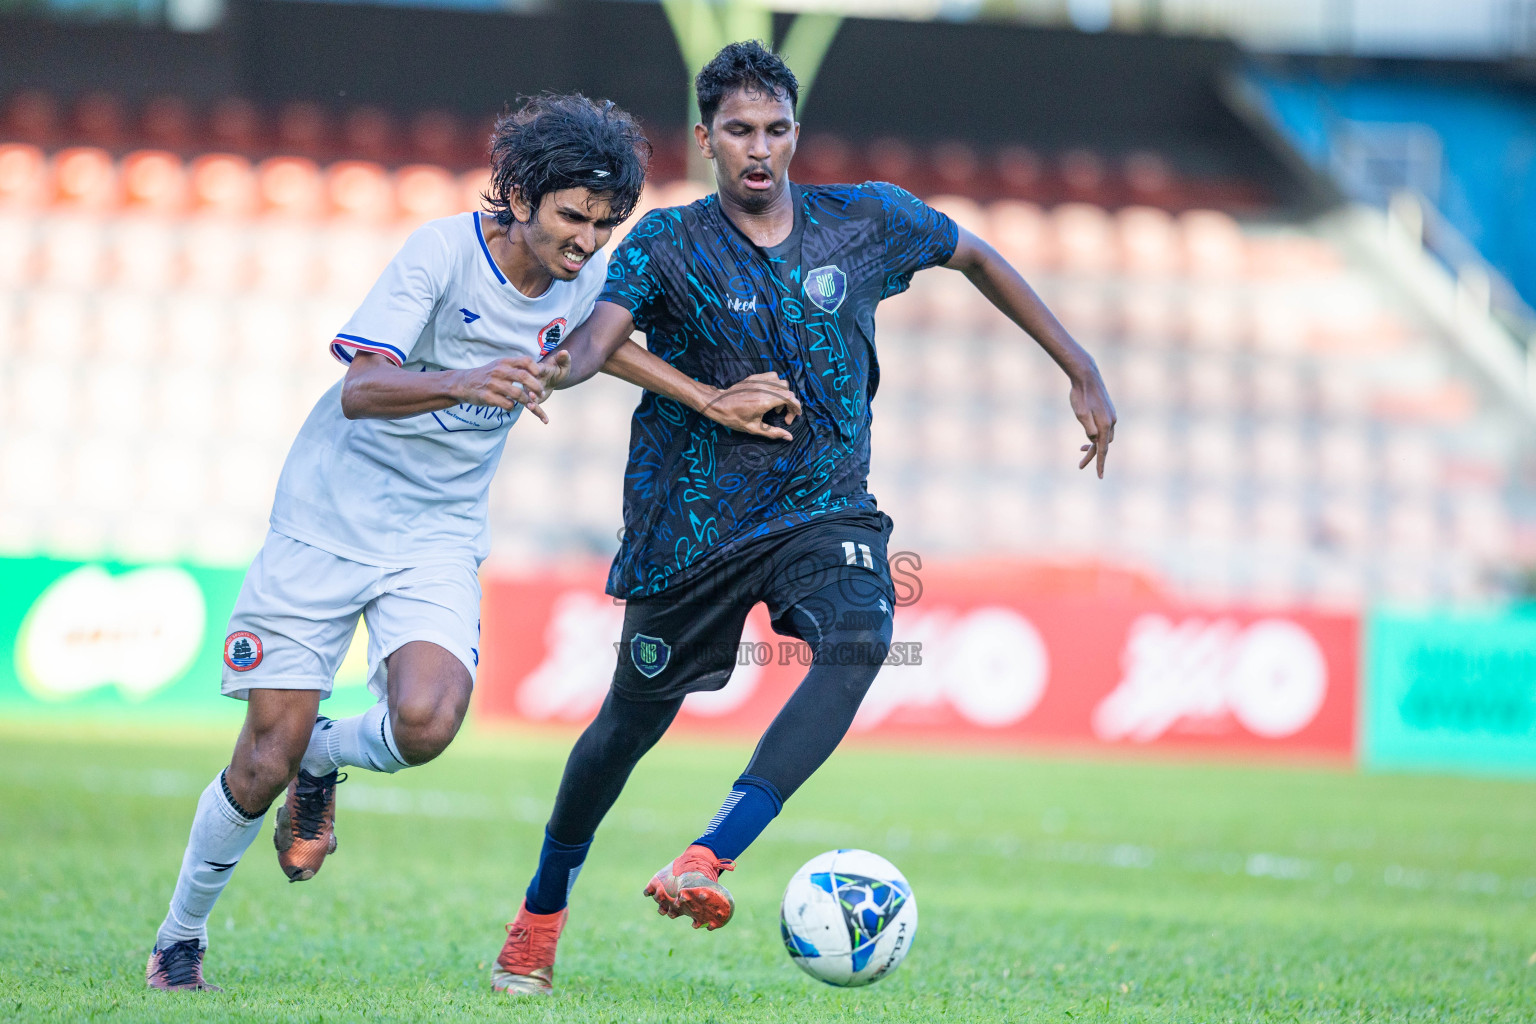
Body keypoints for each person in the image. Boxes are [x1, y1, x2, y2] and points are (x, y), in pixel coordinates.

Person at [488, 42, 1117, 996]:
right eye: (738, 130)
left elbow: (976, 255)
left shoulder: (865, 220)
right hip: (689, 523)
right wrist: (553, 369)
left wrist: (1078, 365)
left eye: (776, 130)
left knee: (862, 635)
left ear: (795, 135)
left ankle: (710, 853)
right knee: (625, 727)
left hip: (823, 506)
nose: (759, 149)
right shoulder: (666, 242)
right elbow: (592, 348)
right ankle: (541, 909)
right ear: (705, 139)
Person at [144, 93, 798, 992]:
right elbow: (361, 390)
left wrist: (704, 396)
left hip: (435, 531)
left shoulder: (581, 279)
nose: (587, 240)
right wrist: (469, 378)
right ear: (523, 195)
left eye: (605, 224)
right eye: (572, 216)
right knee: (261, 757)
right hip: (328, 517)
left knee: (429, 722)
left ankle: (327, 756)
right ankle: (181, 937)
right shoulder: (442, 253)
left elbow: (599, 348)